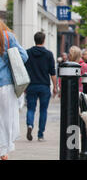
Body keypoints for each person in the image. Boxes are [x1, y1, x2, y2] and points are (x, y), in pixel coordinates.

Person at [0, 20, 28, 160]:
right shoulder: (8, 37)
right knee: (6, 119)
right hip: (6, 85)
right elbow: (24, 56)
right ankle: (3, 151)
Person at [24, 32, 57, 142]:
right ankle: (40, 134)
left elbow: (23, 71)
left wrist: (23, 86)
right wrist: (55, 87)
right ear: (43, 40)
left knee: (30, 109)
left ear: (35, 40)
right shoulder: (48, 54)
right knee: (43, 110)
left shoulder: (27, 53)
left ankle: (29, 125)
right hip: (44, 86)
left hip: (31, 85)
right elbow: (52, 72)